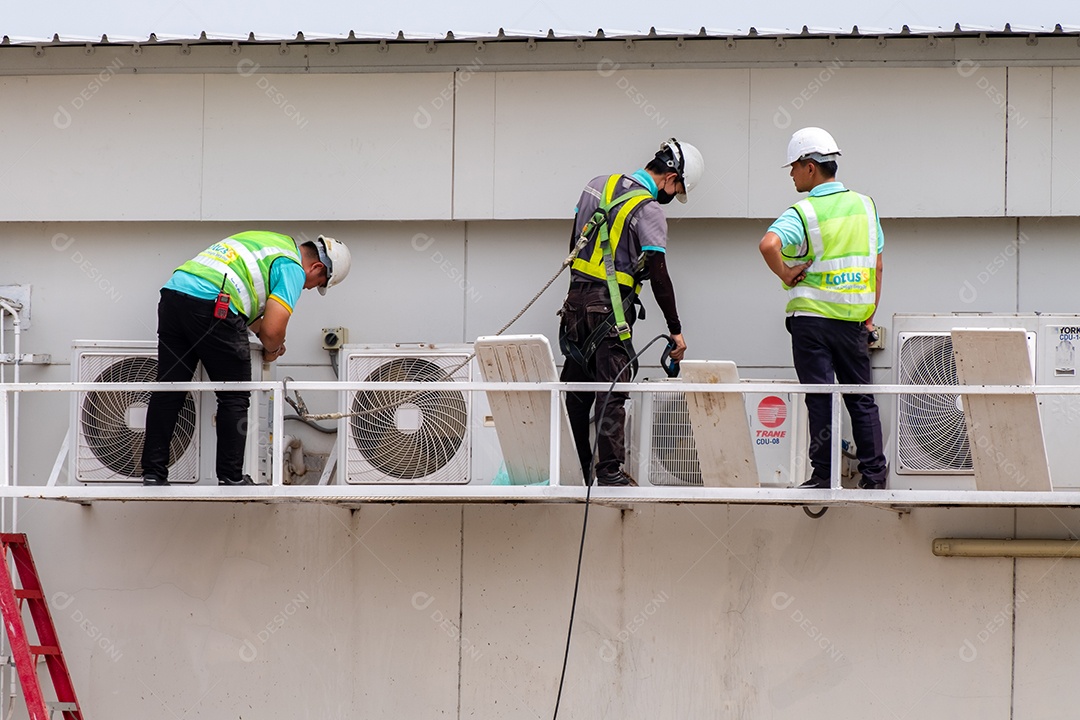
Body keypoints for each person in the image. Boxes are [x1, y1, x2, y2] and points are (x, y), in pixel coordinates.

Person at [141, 232, 351, 486]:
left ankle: (153, 473)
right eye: (318, 282)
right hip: (213, 303)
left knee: (170, 389)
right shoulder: (292, 266)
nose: (309, 288)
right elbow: (273, 331)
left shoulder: (268, 243)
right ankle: (231, 477)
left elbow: (250, 314)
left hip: (174, 295)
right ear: (317, 266)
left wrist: (268, 337)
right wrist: (272, 349)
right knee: (235, 393)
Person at [559, 138, 704, 486]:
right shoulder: (650, 209)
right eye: (677, 189)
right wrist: (675, 329)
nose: (672, 197)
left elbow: (574, 243)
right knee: (612, 392)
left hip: (575, 305)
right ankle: (609, 474)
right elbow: (659, 273)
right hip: (608, 311)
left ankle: (578, 472)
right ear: (671, 176)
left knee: (575, 393)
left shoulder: (597, 185)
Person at [758, 127, 888, 490]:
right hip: (852, 322)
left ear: (810, 167)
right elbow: (877, 266)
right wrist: (869, 315)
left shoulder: (804, 212)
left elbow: (768, 244)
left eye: (794, 167)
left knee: (821, 399)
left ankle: (824, 477)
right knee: (861, 399)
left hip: (811, 323)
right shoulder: (866, 206)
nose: (791, 174)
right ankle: (874, 477)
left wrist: (785, 272)